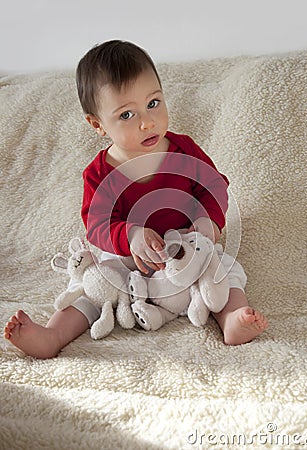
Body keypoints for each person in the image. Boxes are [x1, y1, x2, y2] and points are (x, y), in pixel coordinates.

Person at [3, 40, 268, 358]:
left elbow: (214, 187)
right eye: (127, 114)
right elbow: (97, 225)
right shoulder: (99, 174)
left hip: (184, 250)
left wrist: (207, 223)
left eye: (154, 103)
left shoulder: (183, 152)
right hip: (126, 260)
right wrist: (130, 235)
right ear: (98, 124)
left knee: (223, 271)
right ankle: (52, 335)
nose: (147, 121)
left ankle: (233, 320)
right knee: (91, 288)